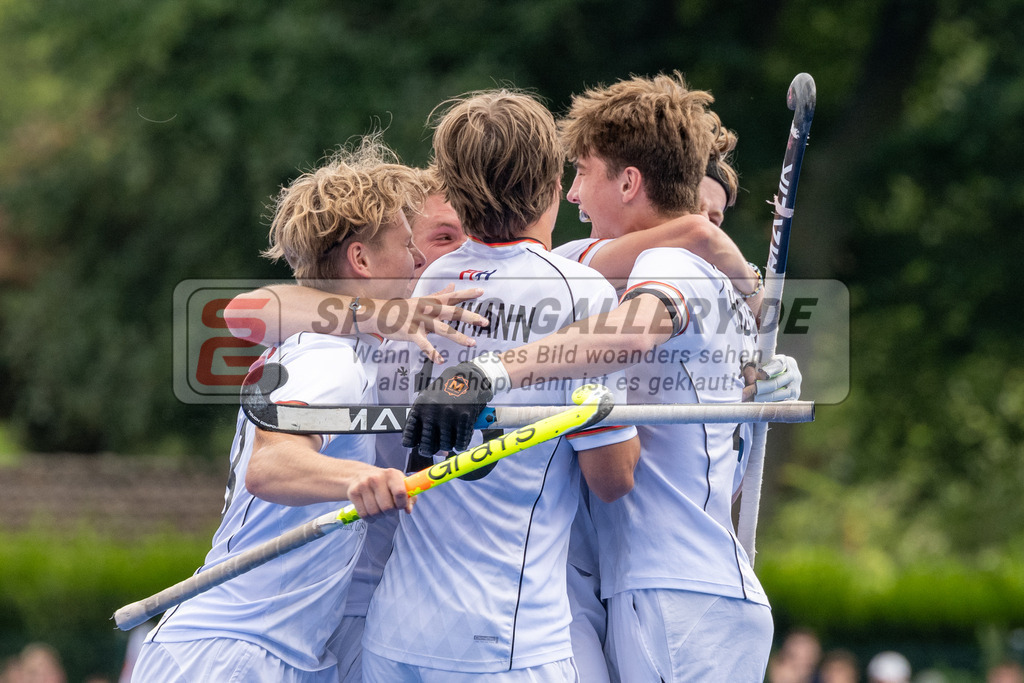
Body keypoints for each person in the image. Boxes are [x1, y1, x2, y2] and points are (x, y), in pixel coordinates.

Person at [404, 72, 797, 682]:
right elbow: (549, 264)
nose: (573, 194)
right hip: (668, 581)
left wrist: (486, 372)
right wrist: (717, 251)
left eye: (583, 172)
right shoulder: (660, 255)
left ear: (629, 182)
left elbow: (631, 333)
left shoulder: (671, 263)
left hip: (678, 587)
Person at [361, 88, 640, 682]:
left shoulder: (432, 277)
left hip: (394, 630)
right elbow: (613, 478)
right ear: (550, 183)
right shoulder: (580, 291)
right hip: (502, 637)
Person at [132, 137, 423, 682]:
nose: (420, 259)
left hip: (260, 650)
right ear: (360, 259)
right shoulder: (328, 358)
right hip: (234, 653)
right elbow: (270, 465)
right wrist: (359, 478)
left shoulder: (328, 346)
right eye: (407, 245)